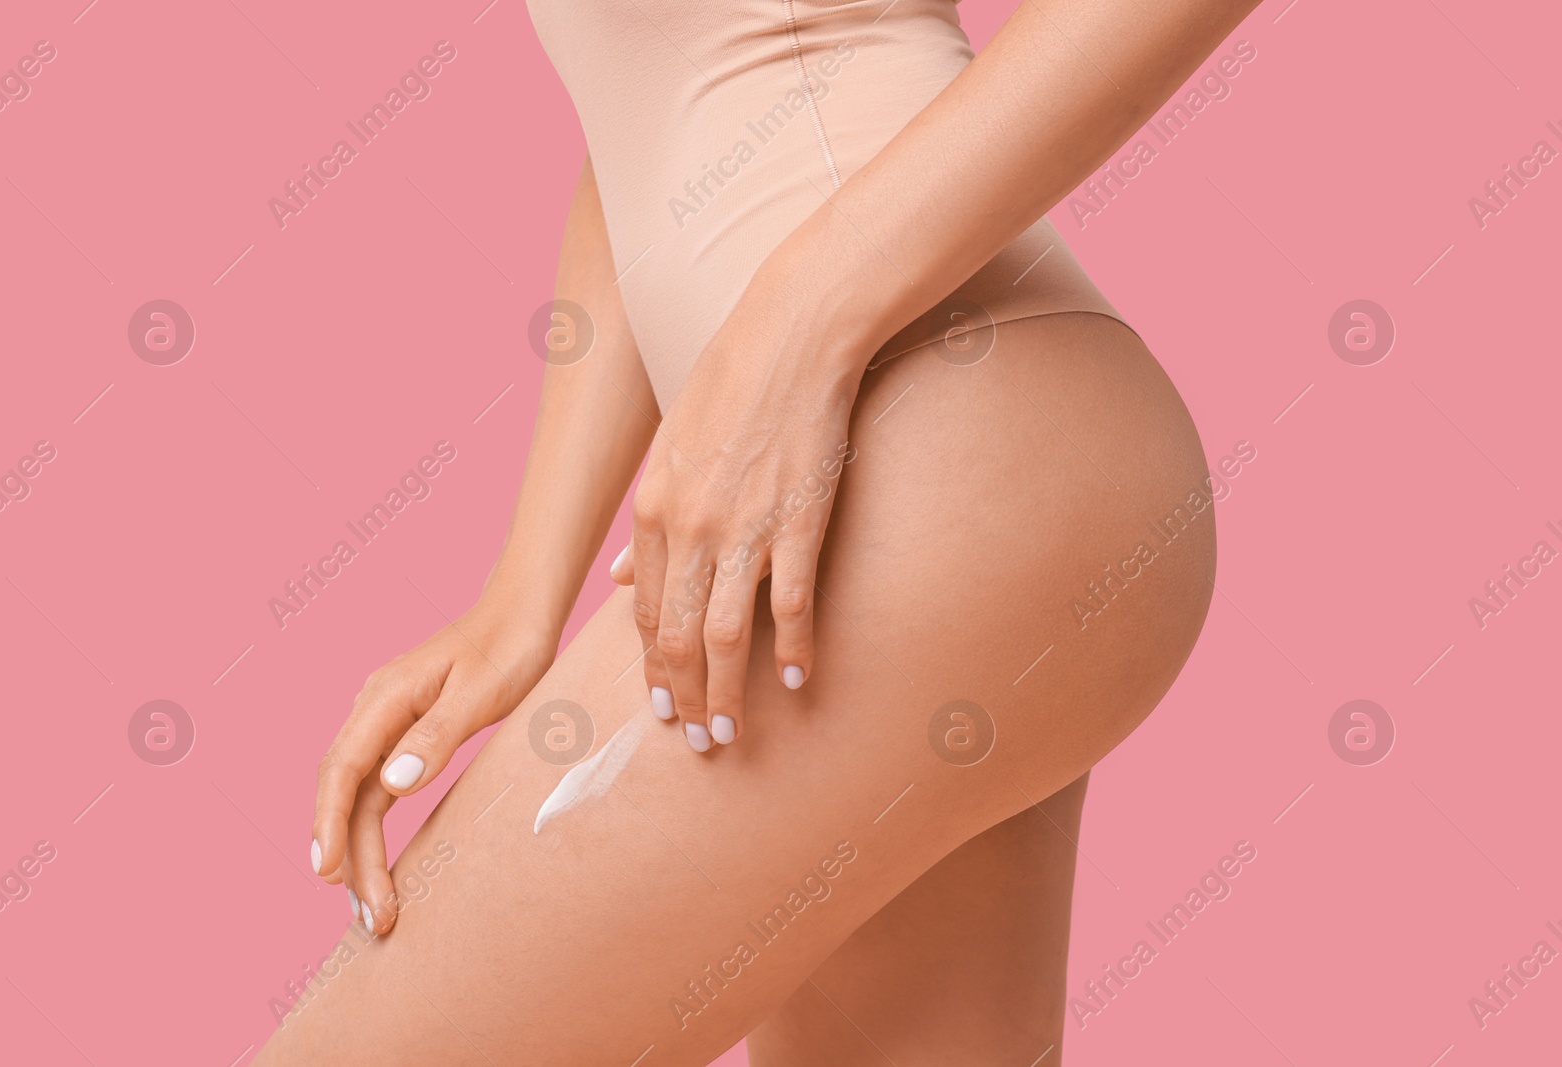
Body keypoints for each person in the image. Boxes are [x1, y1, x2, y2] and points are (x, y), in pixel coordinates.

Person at [257, 0, 1256, 1062]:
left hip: (914, 453)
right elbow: (647, 115)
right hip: (943, 485)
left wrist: (802, 319)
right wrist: (523, 590)